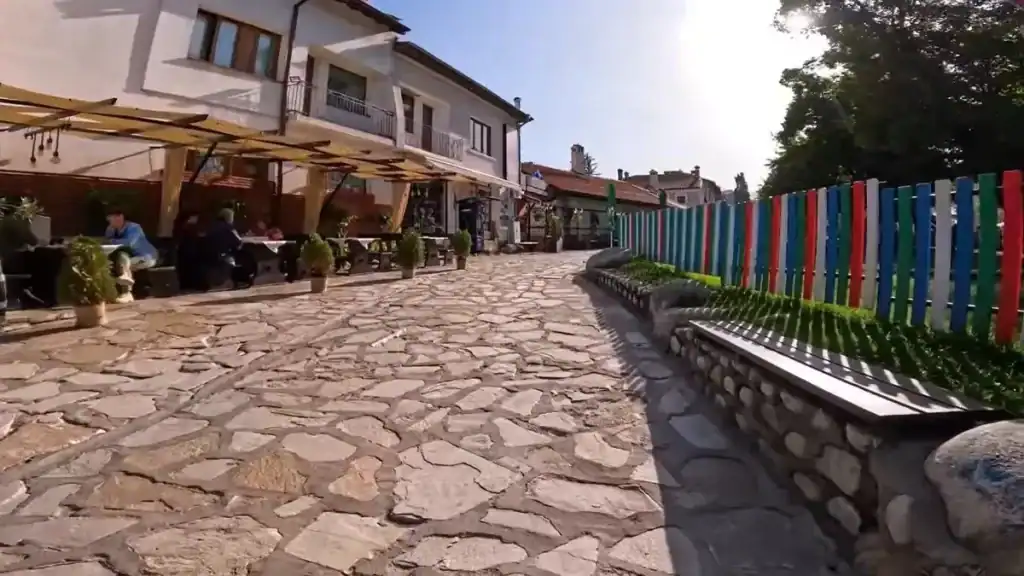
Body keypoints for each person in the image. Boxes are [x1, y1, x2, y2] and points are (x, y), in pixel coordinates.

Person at [104, 209, 158, 303]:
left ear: (120, 217)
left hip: (145, 257)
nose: (110, 222)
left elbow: (129, 243)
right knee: (120, 258)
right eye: (108, 220)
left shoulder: (134, 228)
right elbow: (106, 240)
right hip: (126, 257)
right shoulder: (111, 229)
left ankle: (127, 293)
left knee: (122, 265)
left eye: (111, 219)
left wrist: (112, 241)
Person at [205, 208, 255, 289]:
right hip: (223, 255)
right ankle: (243, 279)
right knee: (247, 256)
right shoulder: (228, 228)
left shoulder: (211, 226)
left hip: (208, 254)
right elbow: (238, 243)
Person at [172, 211, 204, 292]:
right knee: (191, 268)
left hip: (183, 252)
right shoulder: (187, 227)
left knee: (185, 269)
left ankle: (185, 285)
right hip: (189, 251)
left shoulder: (179, 226)